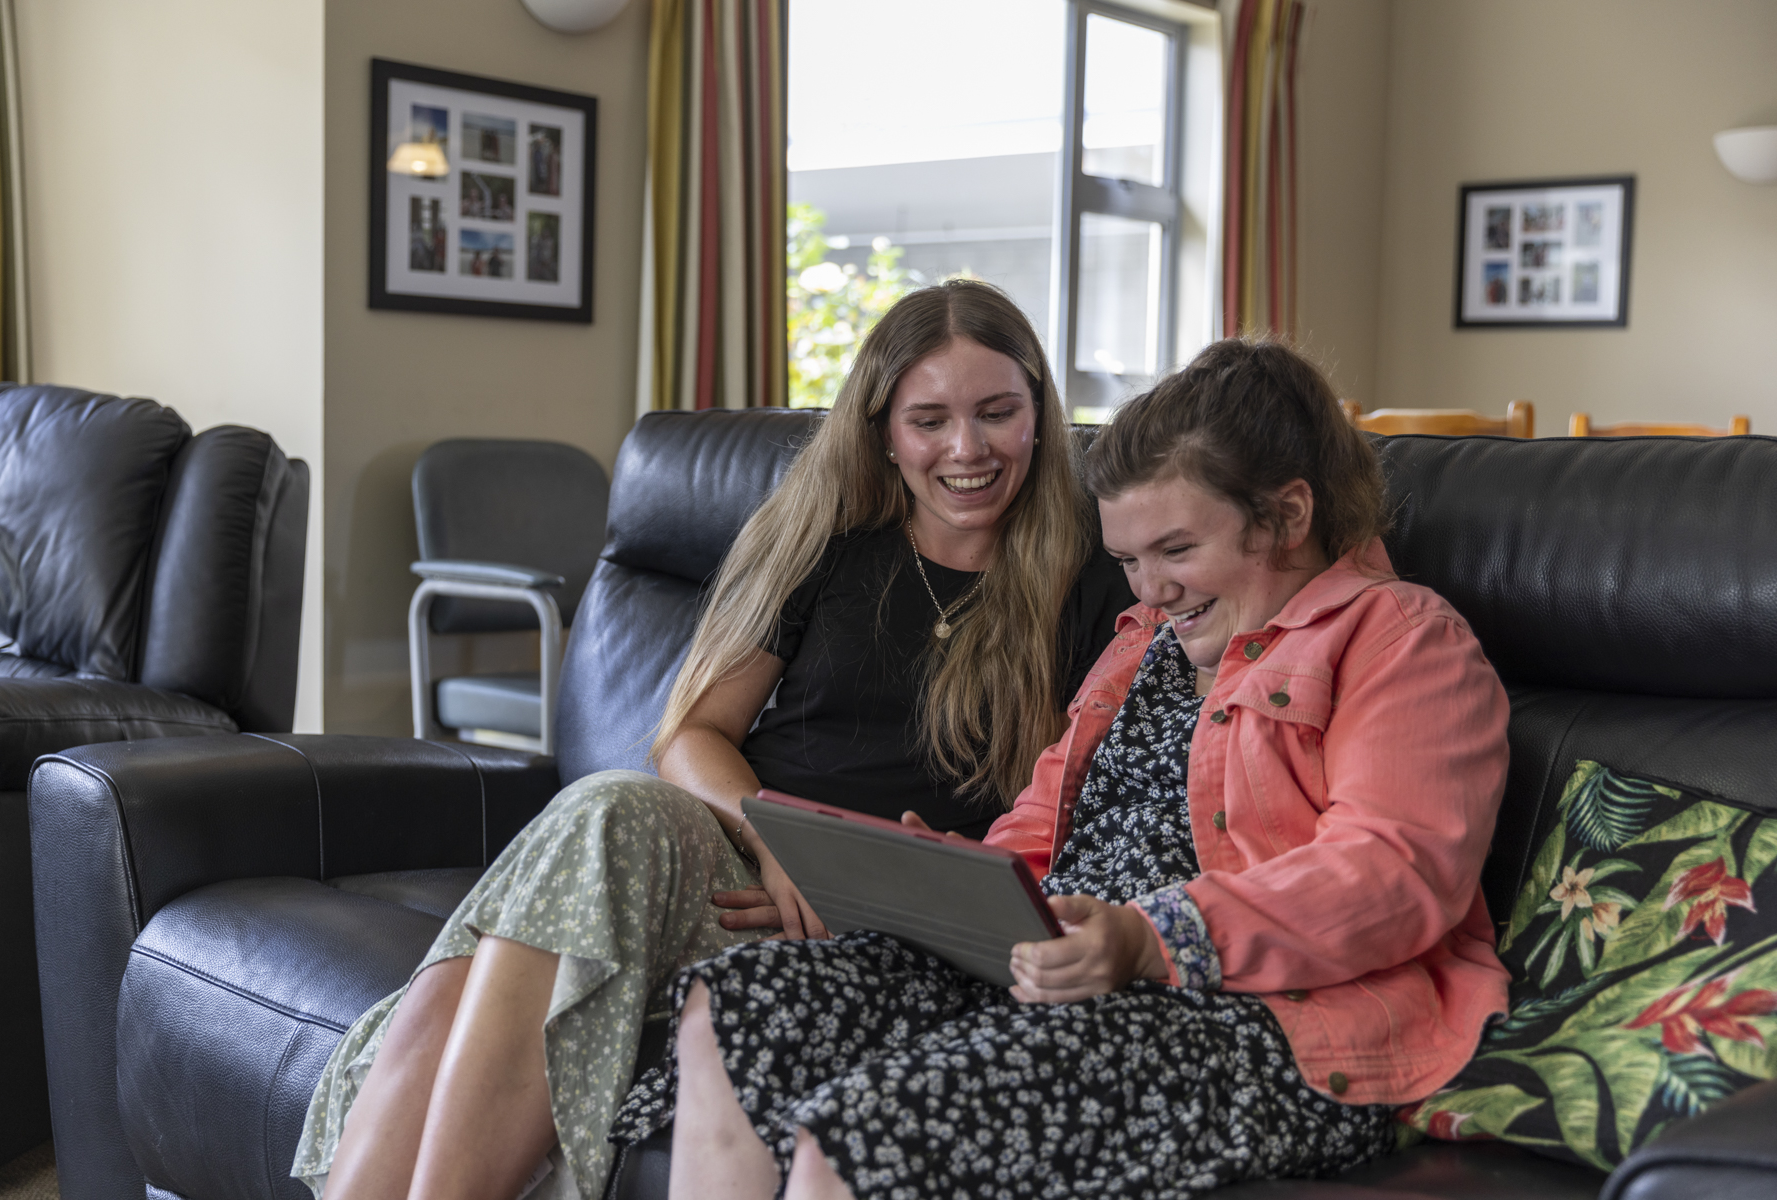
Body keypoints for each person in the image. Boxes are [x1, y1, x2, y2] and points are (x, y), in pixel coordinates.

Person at [291, 279, 1135, 1200]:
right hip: (741, 867)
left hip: (902, 914)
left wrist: (879, 881)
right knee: (605, 817)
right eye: (928, 419)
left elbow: (1086, 813)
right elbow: (690, 734)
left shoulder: (1095, 578)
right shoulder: (828, 536)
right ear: (883, 431)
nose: (965, 449)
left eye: (997, 413)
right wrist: (775, 834)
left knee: (457, 988)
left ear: (1041, 417)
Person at [613, 338, 1513, 1199]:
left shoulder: (1397, 638)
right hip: (1062, 965)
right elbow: (1040, 831)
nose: (1148, 590)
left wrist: (1149, 936)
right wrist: (946, 877)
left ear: (1286, 514)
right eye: (1126, 559)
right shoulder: (1143, 647)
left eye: (1175, 551)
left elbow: (1393, 872)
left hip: (1272, 1016)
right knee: (736, 1006)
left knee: (873, 1125)